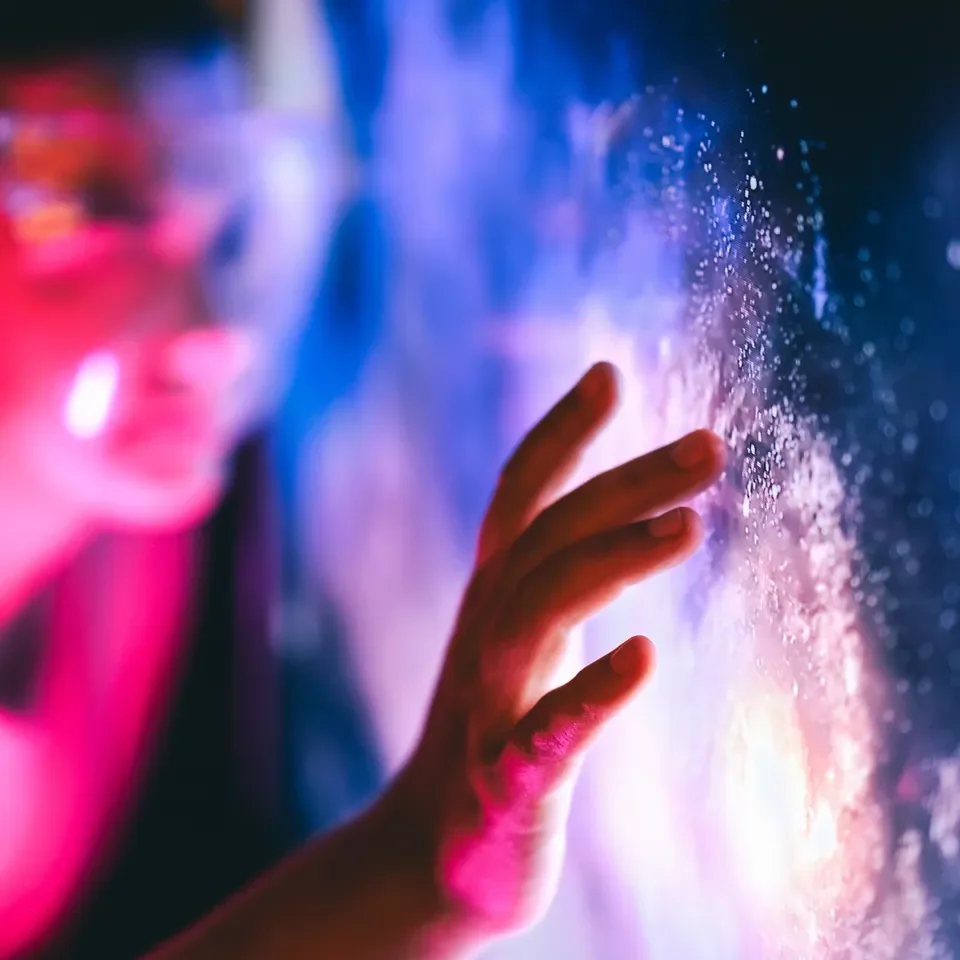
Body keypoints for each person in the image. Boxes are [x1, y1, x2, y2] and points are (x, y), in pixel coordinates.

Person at [0, 2, 726, 958]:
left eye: (231, 223)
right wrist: (417, 870)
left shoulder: (134, 531)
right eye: (96, 213)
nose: (212, 329)